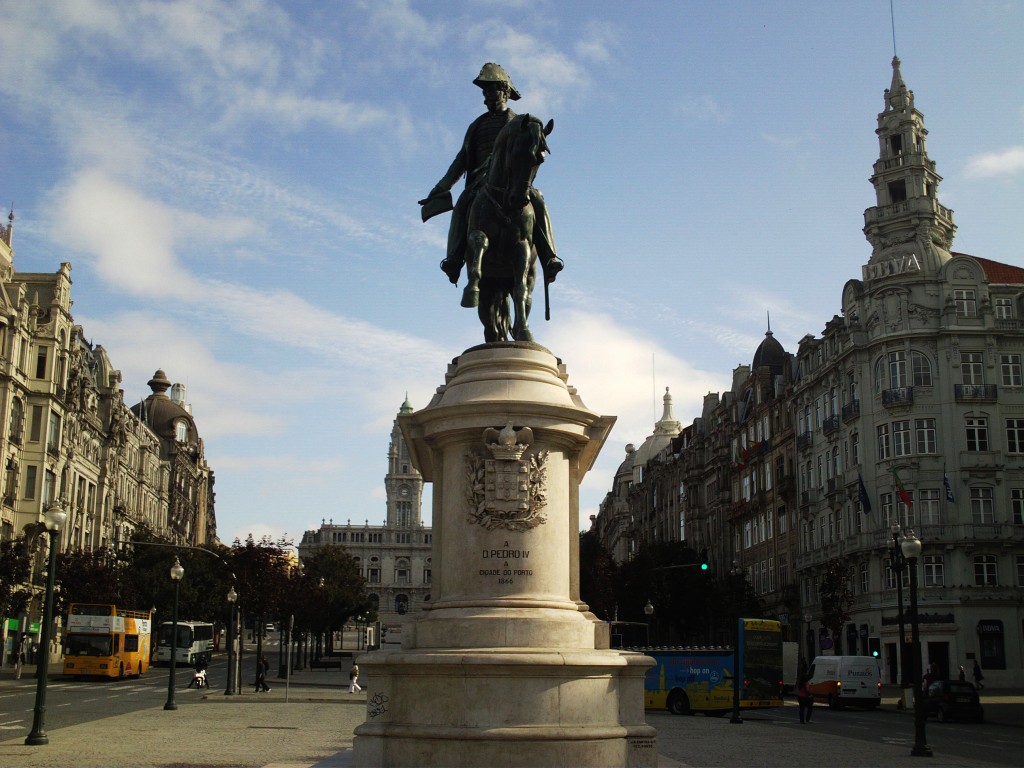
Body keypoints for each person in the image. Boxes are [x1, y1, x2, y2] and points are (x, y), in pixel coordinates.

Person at [419, 63, 563, 288]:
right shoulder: (477, 125)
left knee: (539, 201)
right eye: (484, 91)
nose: (486, 96)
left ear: (504, 91)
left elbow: (529, 154)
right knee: (462, 205)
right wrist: (442, 187)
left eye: (491, 90)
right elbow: (462, 160)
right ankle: (454, 259)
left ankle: (550, 257)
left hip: (514, 184)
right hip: (480, 183)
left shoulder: (520, 123)